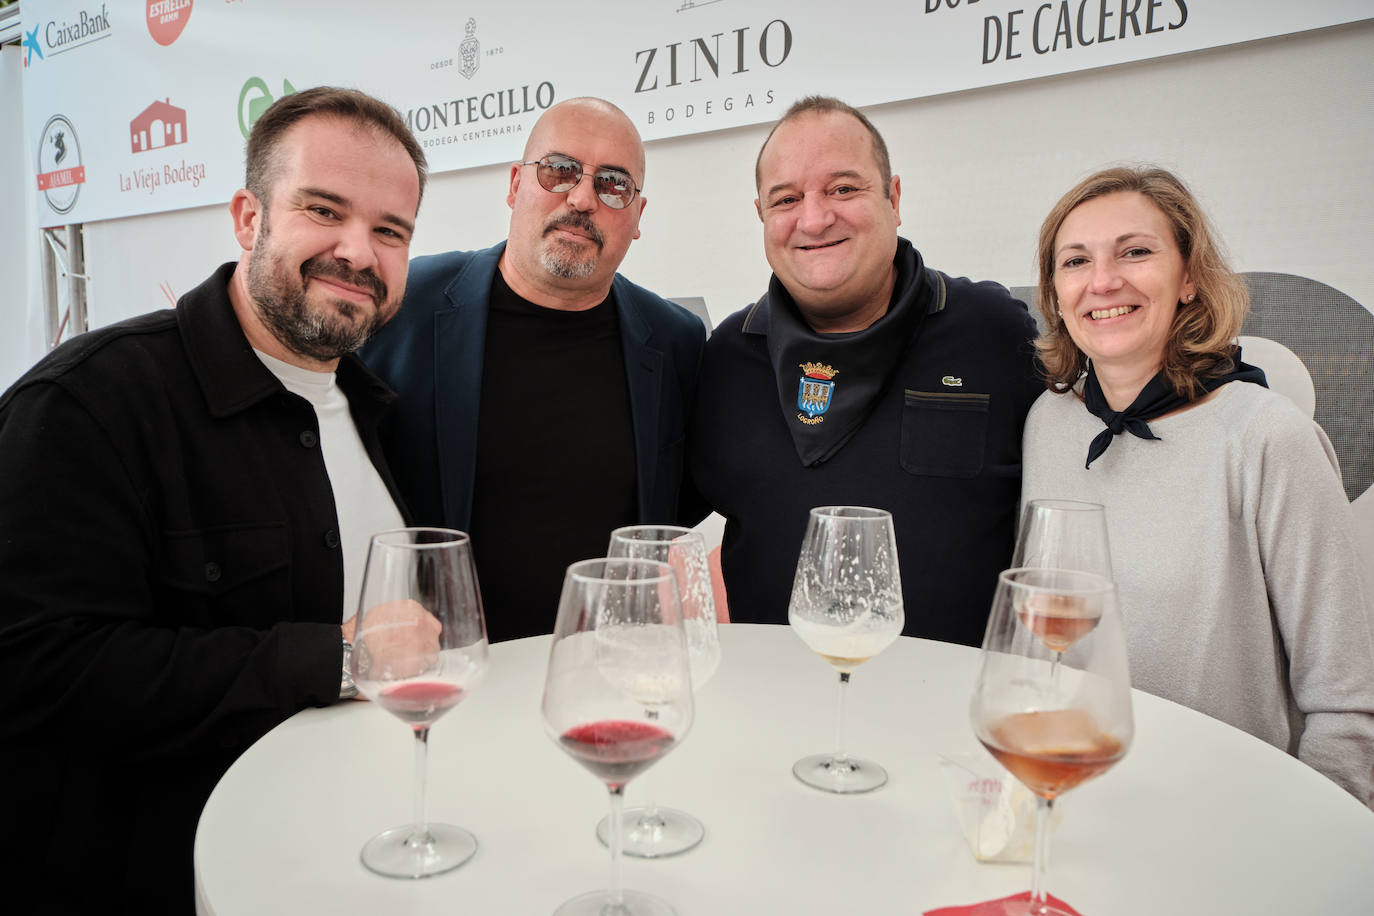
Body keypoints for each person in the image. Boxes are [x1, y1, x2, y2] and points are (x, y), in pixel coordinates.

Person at [0, 87, 432, 909]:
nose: (357, 251)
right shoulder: (89, 404)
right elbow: (35, 667)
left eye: (390, 231)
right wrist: (338, 657)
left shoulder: (375, 410)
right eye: (323, 210)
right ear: (247, 217)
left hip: (342, 861)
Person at [1020, 165, 1374, 806]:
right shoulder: (1047, 422)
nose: (1103, 281)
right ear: (1056, 292)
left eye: (1135, 251)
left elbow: (1349, 706)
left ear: (1188, 279)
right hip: (1070, 796)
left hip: (1224, 812)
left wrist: (1310, 852)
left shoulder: (1268, 437)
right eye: (1076, 261)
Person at [684, 97, 1043, 646]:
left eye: (842, 189)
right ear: (762, 214)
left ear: (893, 198)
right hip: (767, 707)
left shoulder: (993, 331)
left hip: (952, 713)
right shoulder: (728, 354)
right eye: (787, 199)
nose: (814, 217)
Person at [361, 97, 706, 643]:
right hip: (442, 675)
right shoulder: (400, 307)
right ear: (516, 184)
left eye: (614, 184)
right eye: (560, 170)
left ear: (638, 217)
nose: (583, 197)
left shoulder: (678, 343)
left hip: (609, 673)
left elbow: (680, 507)